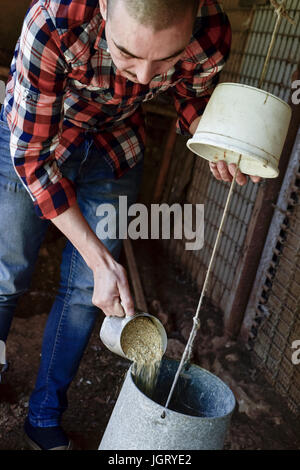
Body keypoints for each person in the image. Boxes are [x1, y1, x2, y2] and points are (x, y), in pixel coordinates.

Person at [0, 0, 251, 450]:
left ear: (193, 16)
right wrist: (97, 257)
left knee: (84, 294)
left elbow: (191, 97)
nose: (142, 77)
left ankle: (43, 418)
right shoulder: (53, 21)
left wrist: (218, 139)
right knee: (8, 273)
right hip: (36, 137)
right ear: (103, 7)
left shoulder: (212, 32)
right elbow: (34, 161)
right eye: (126, 54)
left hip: (117, 145)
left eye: (166, 61)